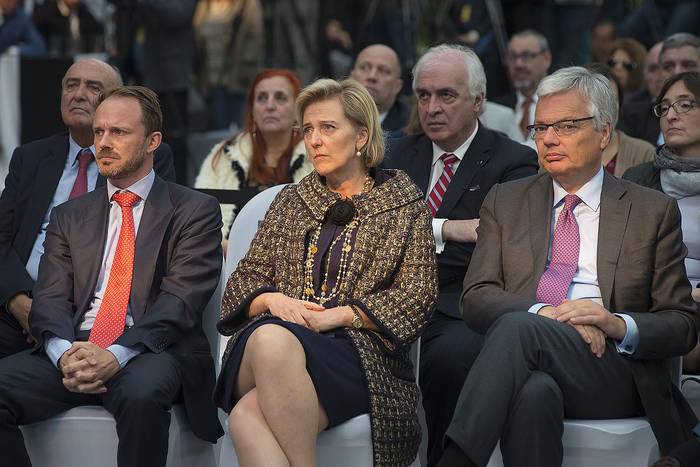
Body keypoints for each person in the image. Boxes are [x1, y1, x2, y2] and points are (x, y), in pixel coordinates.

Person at [437, 66, 699, 467]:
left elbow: (681, 324)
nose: (549, 139)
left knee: (516, 326)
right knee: (533, 393)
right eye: (540, 128)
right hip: (528, 356)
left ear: (605, 133)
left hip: (615, 370)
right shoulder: (505, 200)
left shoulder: (651, 210)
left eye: (566, 125)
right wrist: (548, 316)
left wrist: (615, 323)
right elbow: (476, 298)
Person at [213, 78, 437, 466]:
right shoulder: (291, 201)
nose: (314, 140)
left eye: (328, 128)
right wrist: (273, 300)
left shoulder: (403, 202)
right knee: (270, 339)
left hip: (358, 355)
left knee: (248, 418)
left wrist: (342, 315)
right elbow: (242, 280)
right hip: (273, 347)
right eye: (309, 129)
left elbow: (418, 295)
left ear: (361, 136)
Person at [0, 85, 223, 467]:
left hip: (151, 348)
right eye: (99, 131)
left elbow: (180, 303)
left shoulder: (194, 210)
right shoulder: (69, 215)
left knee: (142, 394)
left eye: (118, 132)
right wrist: (63, 354)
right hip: (75, 347)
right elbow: (50, 297)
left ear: (153, 141)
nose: (103, 142)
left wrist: (116, 354)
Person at [385, 43, 538, 467]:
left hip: (459, 305)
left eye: (446, 95)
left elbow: (494, 247)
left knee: (451, 359)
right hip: (383, 297)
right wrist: (445, 229)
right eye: (424, 95)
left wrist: (405, 238)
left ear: (479, 100)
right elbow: (370, 232)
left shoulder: (514, 162)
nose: (432, 107)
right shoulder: (394, 154)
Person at [0, 58, 175, 359]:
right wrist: (17, 300)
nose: (78, 94)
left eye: (93, 88)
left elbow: (152, 243)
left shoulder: (146, 156)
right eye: (71, 85)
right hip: (18, 305)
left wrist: (51, 315)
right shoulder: (30, 157)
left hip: (90, 309)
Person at [624, 71, 700, 372]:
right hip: (656, 303)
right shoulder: (638, 179)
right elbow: (626, 256)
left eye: (685, 105)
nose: (671, 115)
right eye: (664, 107)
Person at [194, 69, 312, 250]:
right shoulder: (225, 154)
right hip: (230, 261)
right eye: (262, 98)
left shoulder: (315, 155)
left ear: (298, 110)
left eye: (280, 98)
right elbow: (198, 218)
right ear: (252, 110)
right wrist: (225, 248)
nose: (269, 106)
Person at [193, 0, 264, 130]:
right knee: (215, 133)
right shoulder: (204, 6)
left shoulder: (246, 5)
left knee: (234, 132)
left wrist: (245, 68)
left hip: (235, 81)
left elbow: (254, 40)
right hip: (208, 82)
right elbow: (197, 40)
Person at [587, 63, 655, 177]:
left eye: (613, 100)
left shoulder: (644, 153)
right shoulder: (560, 151)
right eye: (596, 101)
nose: (606, 108)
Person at [494, 30, 552, 146]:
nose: (518, 64)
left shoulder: (561, 103)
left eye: (526, 56)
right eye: (512, 57)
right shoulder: (497, 109)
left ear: (546, 59)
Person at [350, 44, 409, 132]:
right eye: (364, 67)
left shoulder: (409, 128)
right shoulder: (330, 115)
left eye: (383, 71)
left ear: (397, 86)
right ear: (352, 77)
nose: (372, 76)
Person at [619, 41, 663, 145]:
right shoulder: (629, 109)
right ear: (644, 73)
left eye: (666, 67)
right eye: (653, 69)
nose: (660, 77)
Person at [32, 0, 103, 57]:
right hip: (54, 57)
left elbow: (98, 28)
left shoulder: (83, 10)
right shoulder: (47, 10)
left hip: (81, 55)